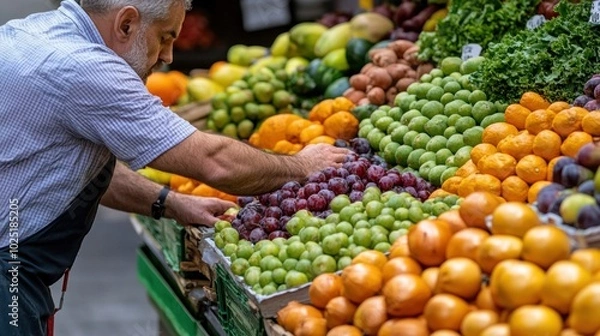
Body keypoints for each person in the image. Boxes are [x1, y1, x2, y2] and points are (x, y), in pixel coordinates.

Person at [0, 0, 349, 334]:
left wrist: (171, 203)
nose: (168, 56)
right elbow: (214, 162)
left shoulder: (38, 32)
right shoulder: (84, 68)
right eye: (165, 36)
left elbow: (73, 169)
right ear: (126, 23)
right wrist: (302, 165)